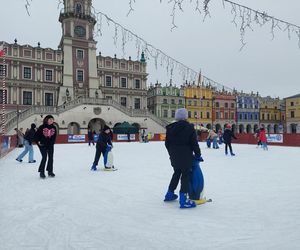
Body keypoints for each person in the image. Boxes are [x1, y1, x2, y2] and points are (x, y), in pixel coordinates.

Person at [164, 108, 202, 209]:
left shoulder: (170, 128)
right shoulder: (189, 127)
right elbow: (194, 143)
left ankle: (169, 194)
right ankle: (183, 200)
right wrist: (198, 155)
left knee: (176, 173)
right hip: (186, 156)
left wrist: (171, 153)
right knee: (185, 176)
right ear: (185, 117)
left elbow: (167, 143)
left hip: (174, 156)